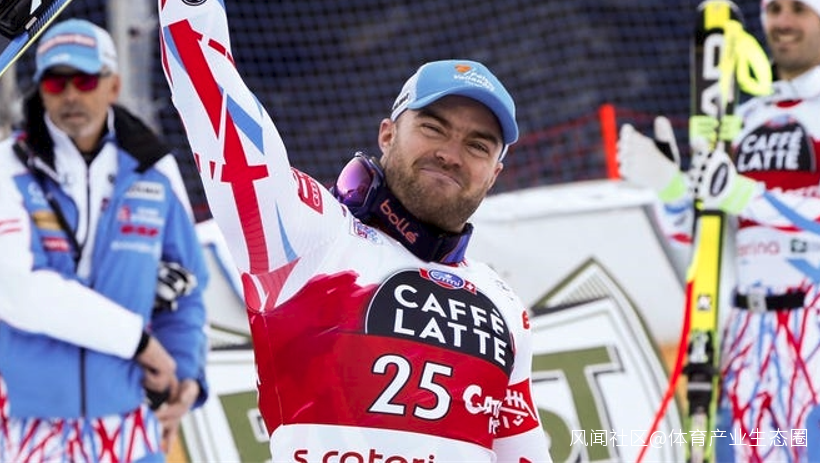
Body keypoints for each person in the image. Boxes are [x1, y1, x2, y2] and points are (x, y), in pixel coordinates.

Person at [158, 1, 552, 461]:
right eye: (432, 128)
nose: (450, 154)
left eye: (477, 146)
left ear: (495, 174)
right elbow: (209, 88)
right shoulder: (312, 236)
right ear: (387, 134)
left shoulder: (503, 304)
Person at [618, 0, 820, 461]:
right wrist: (670, 189)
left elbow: (744, 198)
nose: (783, 22)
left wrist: (745, 195)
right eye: (773, 9)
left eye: (798, 9)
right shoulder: (745, 120)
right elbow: (702, 239)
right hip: (747, 332)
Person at [0, 18, 209, 462]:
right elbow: (16, 290)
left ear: (113, 86)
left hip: (130, 425)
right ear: (40, 91)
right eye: (56, 83)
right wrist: (140, 343)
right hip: (30, 427)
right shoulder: (7, 170)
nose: (71, 95)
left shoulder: (153, 169)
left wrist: (185, 374)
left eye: (85, 80)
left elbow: (187, 286)